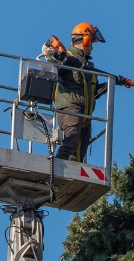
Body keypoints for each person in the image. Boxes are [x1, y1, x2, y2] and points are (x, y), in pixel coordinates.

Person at [43, 22, 108, 163]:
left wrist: (111, 84)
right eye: (92, 43)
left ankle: (69, 173)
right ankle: (56, 169)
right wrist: (60, 58)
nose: (92, 47)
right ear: (86, 40)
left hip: (85, 113)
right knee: (70, 142)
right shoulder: (67, 57)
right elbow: (56, 69)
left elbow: (92, 91)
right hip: (70, 108)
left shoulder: (87, 66)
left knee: (81, 151)